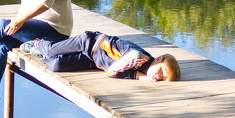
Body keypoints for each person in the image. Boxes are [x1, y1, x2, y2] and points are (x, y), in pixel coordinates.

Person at [21, 31, 181, 82]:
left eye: (162, 78)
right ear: (158, 59)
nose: (158, 76)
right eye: (161, 70)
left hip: (93, 61)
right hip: (90, 43)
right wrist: (143, 78)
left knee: (56, 65)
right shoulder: (137, 56)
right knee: (50, 51)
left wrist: (139, 76)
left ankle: (43, 52)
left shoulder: (143, 68)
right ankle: (39, 43)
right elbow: (112, 72)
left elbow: (124, 73)